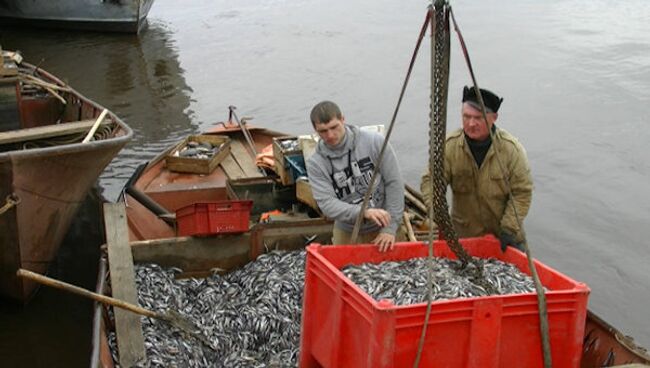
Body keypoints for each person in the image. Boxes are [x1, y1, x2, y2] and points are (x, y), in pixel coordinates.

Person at [420, 86, 533, 251]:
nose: (471, 123)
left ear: (494, 118)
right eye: (466, 117)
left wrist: (509, 228)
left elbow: (522, 192)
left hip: (504, 238)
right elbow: (431, 180)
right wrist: (437, 211)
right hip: (464, 238)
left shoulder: (511, 150)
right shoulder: (449, 147)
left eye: (478, 118)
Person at [306, 101, 404, 252]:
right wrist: (363, 212)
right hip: (346, 231)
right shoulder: (315, 163)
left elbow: (394, 183)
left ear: (343, 119)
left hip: (385, 226)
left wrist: (390, 229)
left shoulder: (374, 142)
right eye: (323, 131)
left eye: (334, 127)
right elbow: (327, 204)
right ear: (315, 130)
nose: (330, 135)